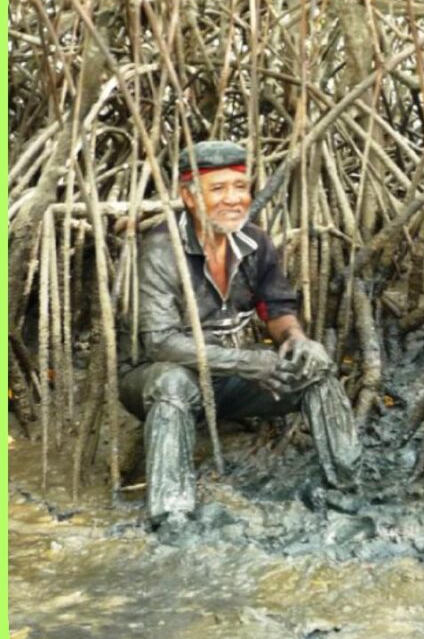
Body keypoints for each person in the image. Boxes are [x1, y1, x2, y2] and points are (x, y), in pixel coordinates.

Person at [121, 142, 362, 531]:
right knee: (172, 381)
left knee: (315, 366)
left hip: (230, 378)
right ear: (188, 195)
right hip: (155, 381)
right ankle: (172, 515)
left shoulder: (255, 243)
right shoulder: (161, 250)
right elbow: (161, 343)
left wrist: (296, 340)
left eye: (240, 187)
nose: (233, 199)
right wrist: (249, 362)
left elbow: (276, 309)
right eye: (217, 189)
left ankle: (345, 490)